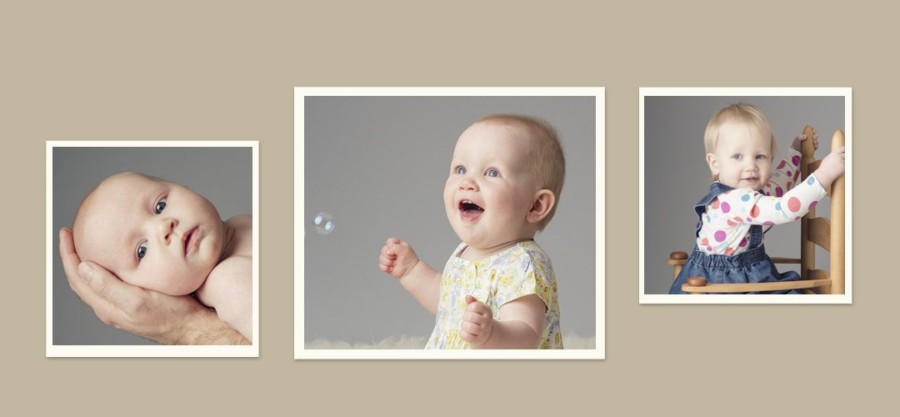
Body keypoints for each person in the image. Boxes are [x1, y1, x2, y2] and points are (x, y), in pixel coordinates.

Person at [379, 114, 564, 349]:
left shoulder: (524, 264)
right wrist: (412, 271)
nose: (467, 182)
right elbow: (449, 305)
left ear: (535, 206)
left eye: (492, 172)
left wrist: (492, 333)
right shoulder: (465, 251)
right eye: (460, 169)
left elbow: (526, 334)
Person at [669, 103, 845, 294]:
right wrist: (824, 174)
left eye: (760, 156)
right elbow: (786, 209)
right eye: (737, 156)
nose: (751, 165)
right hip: (723, 285)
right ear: (715, 164)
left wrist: (796, 153)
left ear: (770, 158)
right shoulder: (733, 201)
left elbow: (779, 183)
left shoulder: (751, 194)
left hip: (745, 276)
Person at [68, 172, 252, 340]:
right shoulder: (228, 283)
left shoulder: (240, 223)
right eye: (142, 250)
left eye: (160, 206)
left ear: (182, 186)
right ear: (143, 291)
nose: (164, 227)